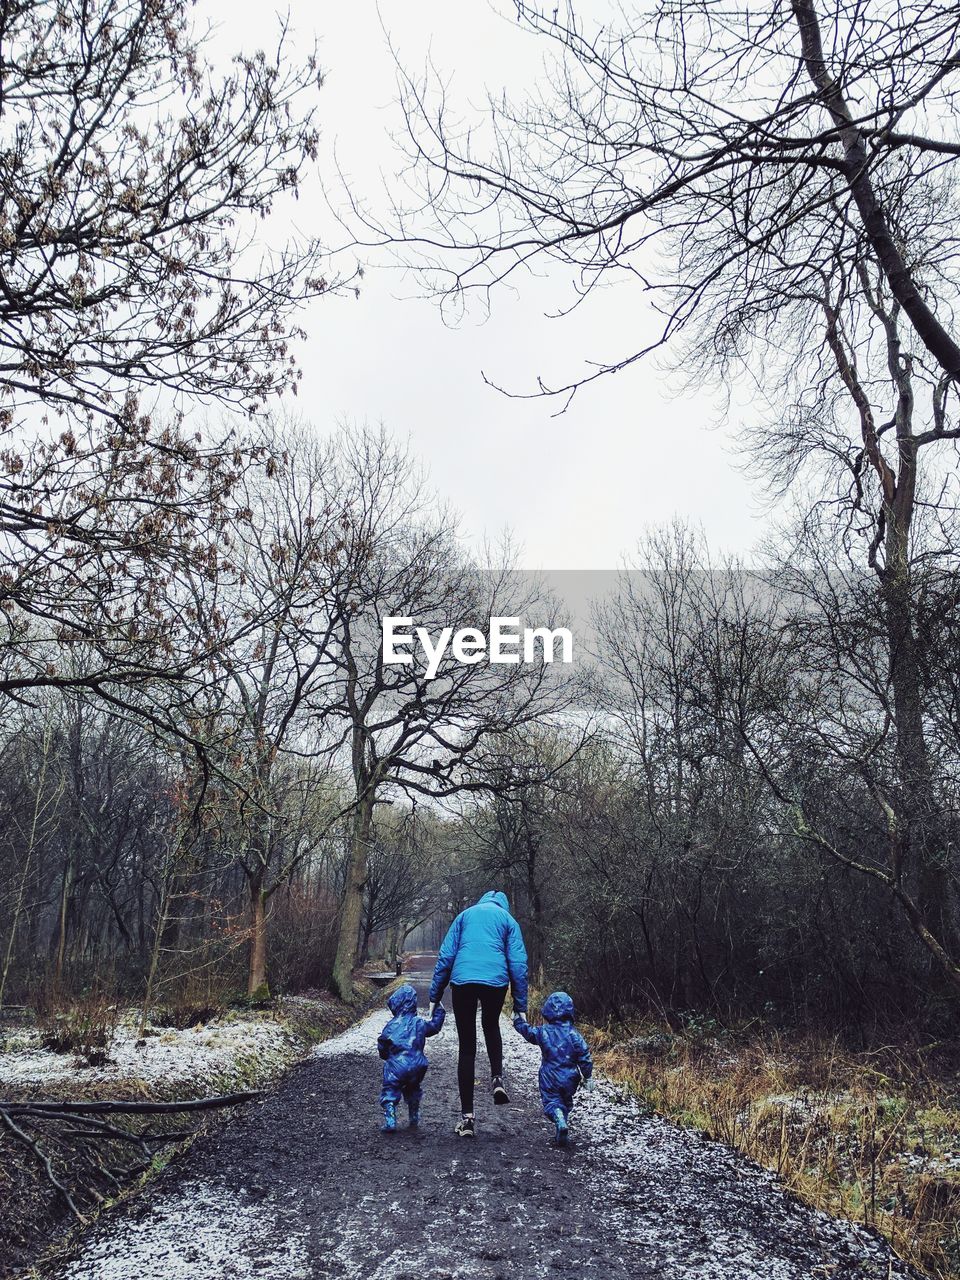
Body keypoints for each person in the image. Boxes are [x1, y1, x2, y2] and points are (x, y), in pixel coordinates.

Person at [429, 889, 528, 1138]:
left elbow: (446, 956)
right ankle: (497, 1079)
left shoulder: (464, 916)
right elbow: (518, 964)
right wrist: (520, 1005)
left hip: (463, 981)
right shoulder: (508, 921)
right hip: (495, 981)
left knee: (467, 1047)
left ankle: (468, 1119)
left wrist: (435, 995)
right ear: (502, 905)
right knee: (491, 1024)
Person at [513, 991, 594, 1147]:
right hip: (571, 1077)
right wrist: (587, 1076)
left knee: (552, 1102)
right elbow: (584, 1056)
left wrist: (518, 1022)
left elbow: (529, 1033)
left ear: (548, 1011)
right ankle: (561, 1130)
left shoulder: (544, 1031)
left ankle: (559, 1120)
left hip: (549, 1075)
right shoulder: (574, 1035)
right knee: (566, 1102)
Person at [377, 983, 445, 1133]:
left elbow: (383, 1043)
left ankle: (390, 1121)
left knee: (390, 1089)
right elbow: (434, 1026)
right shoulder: (419, 1023)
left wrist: (385, 1055)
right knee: (413, 1088)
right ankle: (413, 1116)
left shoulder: (392, 1025)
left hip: (397, 1066)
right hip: (418, 1065)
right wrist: (439, 1010)